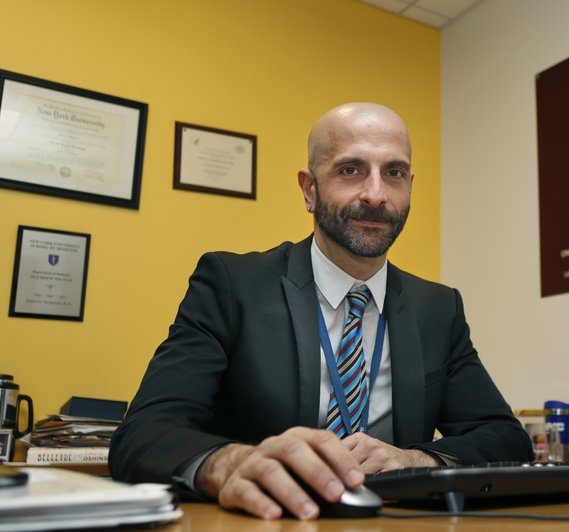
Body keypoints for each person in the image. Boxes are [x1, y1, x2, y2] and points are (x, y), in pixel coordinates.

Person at [109, 103, 533, 520]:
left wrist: (414, 459)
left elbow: (505, 439)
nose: (375, 194)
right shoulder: (231, 285)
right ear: (309, 189)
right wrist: (230, 463)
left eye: (394, 173)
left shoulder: (438, 308)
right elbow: (142, 435)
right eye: (350, 170)